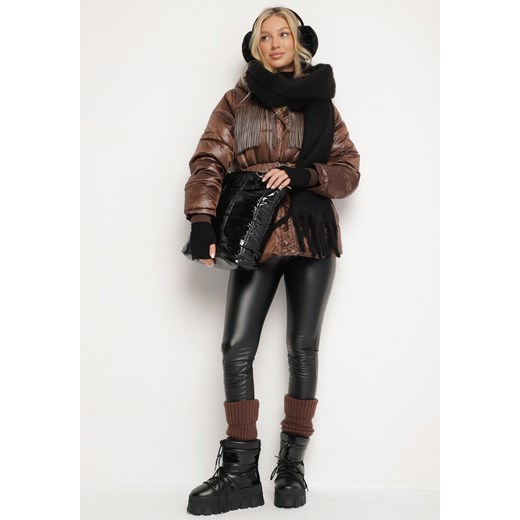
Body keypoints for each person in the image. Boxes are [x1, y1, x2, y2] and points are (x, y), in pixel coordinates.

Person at [183, 6, 360, 515]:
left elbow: (348, 169)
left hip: (311, 235)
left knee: (303, 348)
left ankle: (291, 467)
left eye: (284, 33)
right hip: (254, 239)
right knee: (236, 348)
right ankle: (240, 471)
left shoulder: (324, 103)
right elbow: (209, 160)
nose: (276, 42)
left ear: (299, 42)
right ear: (256, 45)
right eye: (266, 35)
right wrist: (201, 220)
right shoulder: (236, 101)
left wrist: (305, 176)